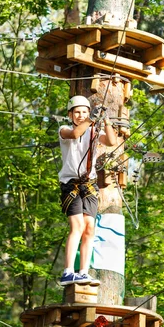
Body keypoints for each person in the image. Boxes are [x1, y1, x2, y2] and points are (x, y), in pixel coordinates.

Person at [58, 95, 118, 286]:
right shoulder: (64, 130)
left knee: (90, 229)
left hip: (89, 184)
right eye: (77, 112)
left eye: (84, 112)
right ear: (70, 115)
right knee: (77, 227)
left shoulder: (93, 131)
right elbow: (75, 134)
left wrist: (106, 120)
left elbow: (110, 141)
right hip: (71, 184)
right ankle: (68, 271)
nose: (81, 115)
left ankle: (83, 271)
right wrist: (92, 118)